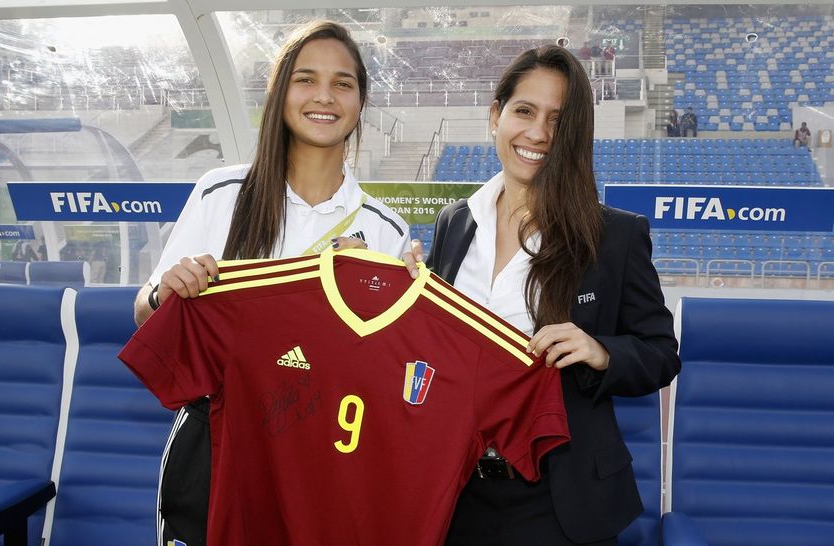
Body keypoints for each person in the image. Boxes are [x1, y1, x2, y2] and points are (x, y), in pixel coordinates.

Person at [132, 20, 411, 546]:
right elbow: (145, 317)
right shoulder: (220, 192)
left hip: (320, 459)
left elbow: (380, 378)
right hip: (213, 447)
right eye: (306, 79)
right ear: (280, 90)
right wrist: (162, 293)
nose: (323, 97)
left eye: (342, 83)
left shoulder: (386, 230)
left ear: (360, 102)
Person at [404, 44, 680, 545]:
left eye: (558, 120)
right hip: (455, 488)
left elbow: (662, 355)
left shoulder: (614, 236)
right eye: (524, 111)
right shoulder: (454, 223)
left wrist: (601, 351)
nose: (537, 133)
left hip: (560, 499)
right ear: (496, 116)